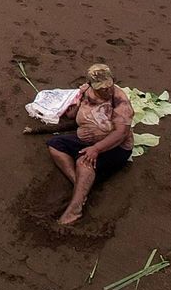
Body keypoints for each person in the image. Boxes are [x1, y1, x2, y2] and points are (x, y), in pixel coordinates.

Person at [32, 62, 135, 226]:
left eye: (109, 86)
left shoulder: (120, 101)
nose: (106, 90)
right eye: (101, 88)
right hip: (86, 137)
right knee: (54, 145)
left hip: (115, 146)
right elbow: (75, 114)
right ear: (92, 86)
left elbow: (120, 134)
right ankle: (78, 185)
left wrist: (96, 149)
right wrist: (73, 109)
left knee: (84, 161)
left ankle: (75, 209)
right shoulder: (86, 91)